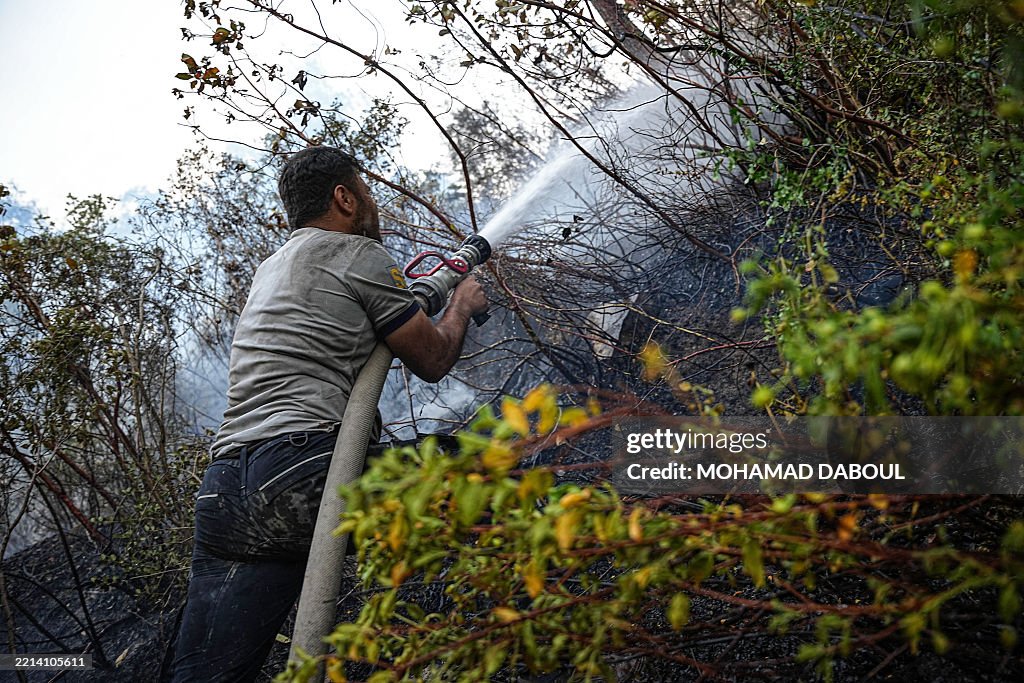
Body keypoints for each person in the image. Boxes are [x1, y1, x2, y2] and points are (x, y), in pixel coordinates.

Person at [166, 146, 488, 681]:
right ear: (344, 197)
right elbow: (431, 359)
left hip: (224, 491)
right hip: (304, 471)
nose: (371, 202)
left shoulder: (272, 268)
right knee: (485, 470)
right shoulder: (356, 252)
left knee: (206, 673)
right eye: (365, 190)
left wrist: (427, 293)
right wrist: (461, 306)